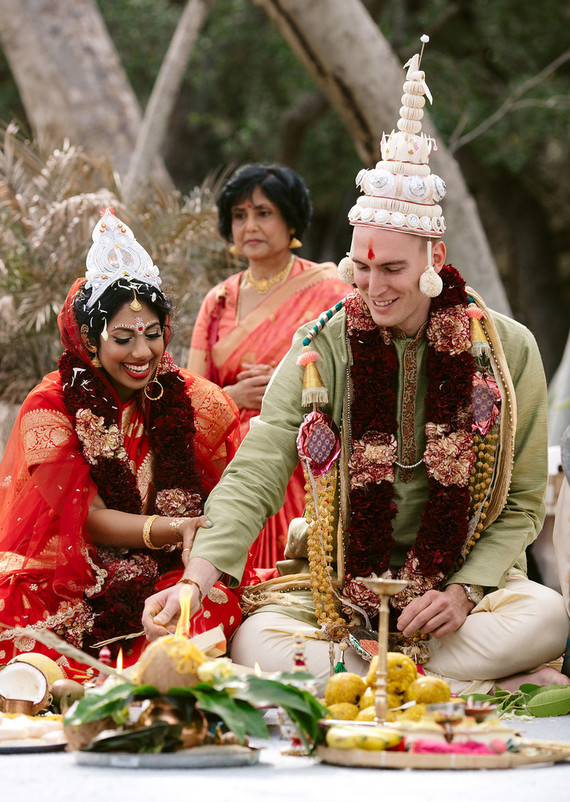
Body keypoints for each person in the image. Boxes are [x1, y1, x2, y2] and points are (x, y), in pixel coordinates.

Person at [143, 41, 569, 696]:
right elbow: (258, 468)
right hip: (346, 590)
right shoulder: (325, 347)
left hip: (461, 594)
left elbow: (521, 505)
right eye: (361, 267)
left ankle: (365, 686)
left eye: (392, 268)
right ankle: (473, 688)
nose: (373, 287)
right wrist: (195, 583)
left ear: (436, 257)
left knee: (548, 615)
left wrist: (463, 591)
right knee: (258, 639)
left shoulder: (505, 352)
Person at [0, 208, 246, 673]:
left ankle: (142, 668)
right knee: (23, 632)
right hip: (75, 574)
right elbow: (88, 519)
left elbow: (234, 490)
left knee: (207, 601)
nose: (141, 353)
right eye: (123, 338)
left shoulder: (194, 401)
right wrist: (176, 527)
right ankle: (128, 673)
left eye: (153, 335)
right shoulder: (49, 407)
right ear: (92, 343)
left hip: (167, 570)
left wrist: (194, 538)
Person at [187, 164, 348, 570]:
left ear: (290, 218)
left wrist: (287, 384)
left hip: (305, 452)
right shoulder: (218, 300)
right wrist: (231, 397)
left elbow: (353, 375)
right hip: (229, 458)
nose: (249, 226)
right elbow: (189, 395)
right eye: (239, 216)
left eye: (263, 213)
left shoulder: (332, 291)